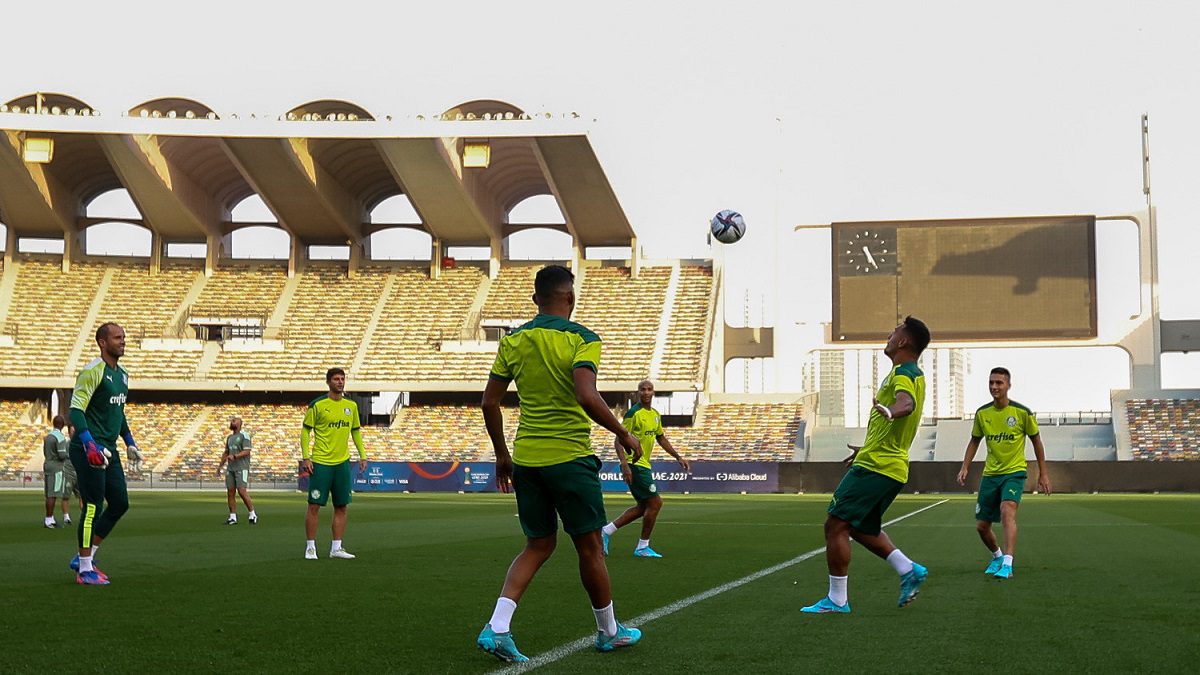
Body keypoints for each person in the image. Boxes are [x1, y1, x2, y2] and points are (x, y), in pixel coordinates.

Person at [476, 264, 644, 663]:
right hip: (570, 458)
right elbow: (586, 395)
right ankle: (608, 632)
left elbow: (489, 402)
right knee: (590, 549)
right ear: (570, 297)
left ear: (536, 300)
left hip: (528, 460)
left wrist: (502, 456)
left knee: (538, 544)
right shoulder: (582, 338)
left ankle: (497, 627)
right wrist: (623, 432)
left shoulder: (514, 339)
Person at [802, 316, 931, 613]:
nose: (889, 334)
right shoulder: (909, 372)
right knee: (858, 527)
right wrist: (866, 447)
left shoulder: (905, 373)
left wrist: (891, 410)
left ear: (903, 342)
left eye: (895, 331)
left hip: (879, 466)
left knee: (835, 524)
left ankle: (837, 600)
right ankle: (908, 569)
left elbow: (906, 403)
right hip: (884, 461)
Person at [956, 367, 1052, 580]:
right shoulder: (982, 414)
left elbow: (1037, 441)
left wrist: (1043, 474)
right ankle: (997, 556)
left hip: (1014, 472)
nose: (994, 387)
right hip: (990, 475)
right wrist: (965, 466)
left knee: (1007, 510)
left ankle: (1008, 563)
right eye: (991, 383)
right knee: (982, 526)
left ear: (1008, 385)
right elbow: (974, 441)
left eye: (999, 383)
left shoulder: (1022, 413)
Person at [67, 322, 141, 586]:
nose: (123, 341)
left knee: (120, 503)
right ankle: (85, 570)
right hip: (89, 448)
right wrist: (88, 443)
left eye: (124, 337)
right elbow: (75, 410)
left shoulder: (122, 376)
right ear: (102, 342)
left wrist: (130, 442)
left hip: (110, 448)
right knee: (93, 507)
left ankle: (85, 556)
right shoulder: (92, 371)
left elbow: (118, 413)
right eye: (117, 337)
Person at [601, 379, 689, 558]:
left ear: (653, 392)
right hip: (634, 464)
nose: (646, 392)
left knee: (643, 506)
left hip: (644, 464)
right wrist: (624, 464)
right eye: (643, 389)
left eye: (649, 389)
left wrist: (678, 456)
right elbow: (618, 439)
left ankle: (606, 531)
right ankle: (642, 547)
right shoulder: (633, 413)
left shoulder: (655, 414)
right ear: (638, 393)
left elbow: (661, 438)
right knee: (656, 502)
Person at [300, 368, 367, 560]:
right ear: (328, 382)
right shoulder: (318, 405)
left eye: (342, 379)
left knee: (342, 506)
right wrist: (306, 457)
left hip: (342, 464)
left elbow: (355, 431)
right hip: (321, 462)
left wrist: (363, 455)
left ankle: (336, 548)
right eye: (336, 379)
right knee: (314, 505)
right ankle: (310, 547)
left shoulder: (351, 406)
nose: (340, 382)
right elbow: (305, 431)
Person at [217, 416, 257, 525]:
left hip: (241, 467)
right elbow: (226, 452)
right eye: (231, 420)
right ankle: (232, 517)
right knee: (230, 492)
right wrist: (220, 466)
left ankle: (252, 513)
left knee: (242, 491)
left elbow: (247, 451)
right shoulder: (229, 437)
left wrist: (235, 456)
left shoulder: (244, 435)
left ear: (240, 424)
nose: (232, 421)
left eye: (234, 420)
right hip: (231, 468)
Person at [42, 415, 71, 528]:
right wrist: (69, 455)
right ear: (62, 425)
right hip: (56, 467)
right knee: (53, 494)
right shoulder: (60, 437)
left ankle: (51, 518)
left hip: (47, 464)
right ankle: (49, 519)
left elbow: (45, 452)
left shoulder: (48, 436)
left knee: (49, 493)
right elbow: (62, 455)